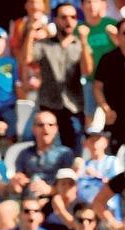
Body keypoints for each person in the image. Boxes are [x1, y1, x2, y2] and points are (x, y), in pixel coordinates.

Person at [24, 1, 93, 154]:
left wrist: (84, 41)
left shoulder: (80, 44)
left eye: (73, 17)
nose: (69, 21)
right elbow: (28, 60)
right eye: (64, 17)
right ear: (55, 19)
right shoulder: (44, 44)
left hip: (73, 106)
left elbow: (87, 71)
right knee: (47, 151)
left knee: (73, 151)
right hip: (49, 105)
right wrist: (30, 33)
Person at [93, 18, 125, 153]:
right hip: (113, 118)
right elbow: (97, 86)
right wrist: (106, 109)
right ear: (117, 36)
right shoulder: (107, 59)